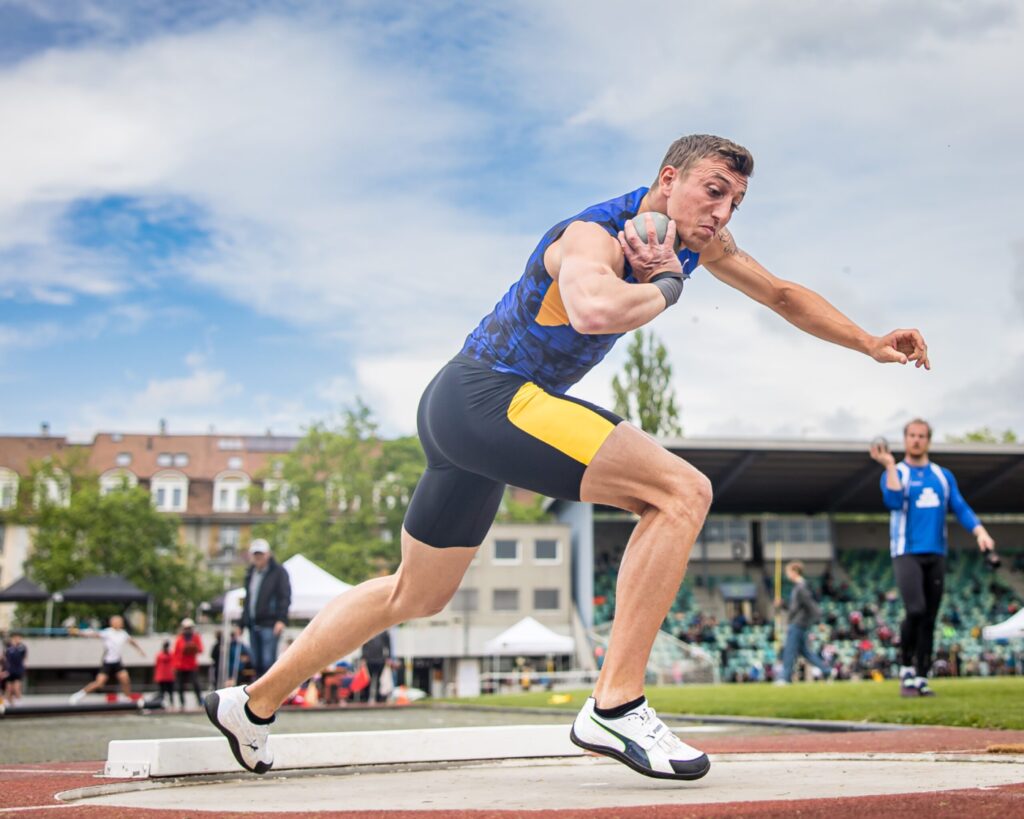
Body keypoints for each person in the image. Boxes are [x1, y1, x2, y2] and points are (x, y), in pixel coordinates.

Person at [206, 133, 930, 779]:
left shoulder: (699, 242)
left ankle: (251, 702)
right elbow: (591, 310)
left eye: (736, 202)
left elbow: (779, 293)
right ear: (667, 178)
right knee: (681, 493)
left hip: (467, 417)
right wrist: (668, 285)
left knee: (413, 593)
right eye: (714, 190)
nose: (723, 213)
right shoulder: (593, 235)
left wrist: (867, 341)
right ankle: (616, 702)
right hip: (486, 397)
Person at [870, 418, 996, 697]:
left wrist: (980, 532)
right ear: (905, 440)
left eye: (922, 435)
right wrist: (889, 465)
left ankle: (922, 675)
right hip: (906, 551)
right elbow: (892, 502)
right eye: (912, 435)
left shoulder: (942, 476)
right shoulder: (897, 472)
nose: (916, 440)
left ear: (928, 440)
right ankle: (905, 667)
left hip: (936, 552)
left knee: (929, 616)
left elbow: (960, 507)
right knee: (915, 609)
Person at [240, 539, 291, 680]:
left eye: (260, 554)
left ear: (268, 554)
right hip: (252, 623)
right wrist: (241, 623)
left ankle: (269, 694)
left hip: (270, 623)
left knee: (268, 661)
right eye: (255, 554)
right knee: (256, 662)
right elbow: (248, 600)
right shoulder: (251, 574)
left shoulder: (278, 572)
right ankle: (259, 696)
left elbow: (284, 597)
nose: (258, 557)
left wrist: (281, 619)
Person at [776, 562, 832, 684]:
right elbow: (794, 609)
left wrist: (819, 620)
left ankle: (784, 678)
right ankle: (827, 670)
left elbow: (811, 604)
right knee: (806, 652)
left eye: (788, 572)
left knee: (789, 651)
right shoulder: (799, 587)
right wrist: (782, 604)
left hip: (797, 623)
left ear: (795, 572)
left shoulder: (801, 587)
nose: (787, 575)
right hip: (799, 622)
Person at [69, 614, 145, 703]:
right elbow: (93, 634)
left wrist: (140, 650)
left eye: (120, 622)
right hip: (108, 662)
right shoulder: (108, 632)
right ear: (112, 623)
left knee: (125, 679)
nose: (120, 623)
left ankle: (127, 697)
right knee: (99, 683)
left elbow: (132, 641)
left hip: (117, 661)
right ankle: (78, 695)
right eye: (117, 621)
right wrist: (78, 632)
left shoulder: (123, 634)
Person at [172, 618, 205, 709]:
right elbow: (175, 653)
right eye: (186, 628)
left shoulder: (196, 638)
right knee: (180, 686)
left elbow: (201, 649)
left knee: (196, 684)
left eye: (189, 628)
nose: (188, 630)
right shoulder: (179, 639)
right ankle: (182, 703)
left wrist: (194, 648)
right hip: (181, 666)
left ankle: (199, 702)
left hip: (192, 666)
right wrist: (174, 666)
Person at [360, 629, 392, 704]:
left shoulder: (384, 632)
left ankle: (378, 698)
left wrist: (388, 657)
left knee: (378, 679)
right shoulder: (368, 632)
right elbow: (364, 645)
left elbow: (388, 645)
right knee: (368, 680)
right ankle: (366, 698)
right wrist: (363, 658)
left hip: (380, 659)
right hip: (369, 659)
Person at [148, 640, 176, 707]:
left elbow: (174, 664)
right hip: (162, 677)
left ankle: (172, 704)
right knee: (162, 693)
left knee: (170, 692)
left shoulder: (171, 654)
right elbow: (156, 666)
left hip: (169, 677)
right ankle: (161, 704)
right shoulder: (159, 655)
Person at [3, 632, 27, 704]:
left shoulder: (22, 648)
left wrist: (22, 668)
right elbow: (5, 658)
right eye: (15, 638)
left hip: (17, 671)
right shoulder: (8, 648)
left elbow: (24, 658)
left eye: (18, 638)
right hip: (10, 671)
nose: (16, 639)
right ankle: (11, 705)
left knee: (16, 689)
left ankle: (21, 705)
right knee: (8, 690)